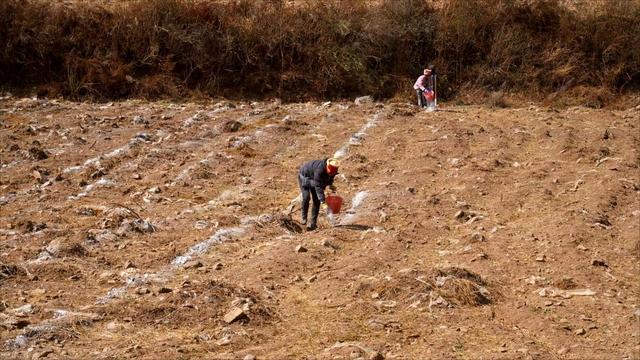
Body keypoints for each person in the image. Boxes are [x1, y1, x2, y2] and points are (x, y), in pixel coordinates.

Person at [298, 158, 339, 231]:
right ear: (327, 166)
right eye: (330, 172)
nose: (331, 174)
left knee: (316, 201)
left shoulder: (333, 170)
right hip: (304, 177)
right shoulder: (319, 170)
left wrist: (330, 184)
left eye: (332, 173)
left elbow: (330, 177)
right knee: (306, 197)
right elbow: (318, 187)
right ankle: (303, 218)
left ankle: (313, 224)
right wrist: (323, 202)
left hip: (314, 179)